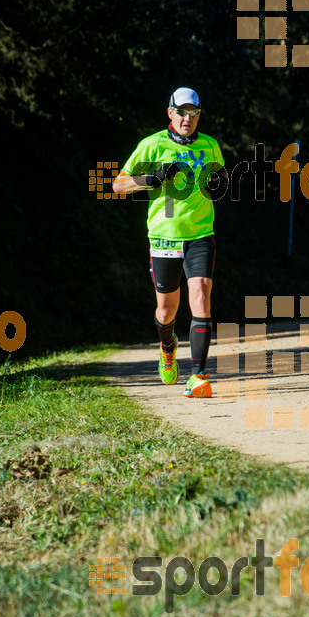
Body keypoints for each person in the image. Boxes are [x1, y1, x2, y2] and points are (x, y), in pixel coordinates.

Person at [113, 87, 228, 398]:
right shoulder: (152, 145)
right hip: (163, 236)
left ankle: (198, 376)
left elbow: (220, 181)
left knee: (201, 295)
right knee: (166, 311)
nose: (186, 118)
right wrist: (151, 179)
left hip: (201, 233)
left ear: (199, 115)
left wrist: (219, 182)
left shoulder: (211, 145)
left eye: (193, 113)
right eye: (181, 112)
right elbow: (118, 185)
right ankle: (167, 347)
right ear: (170, 113)